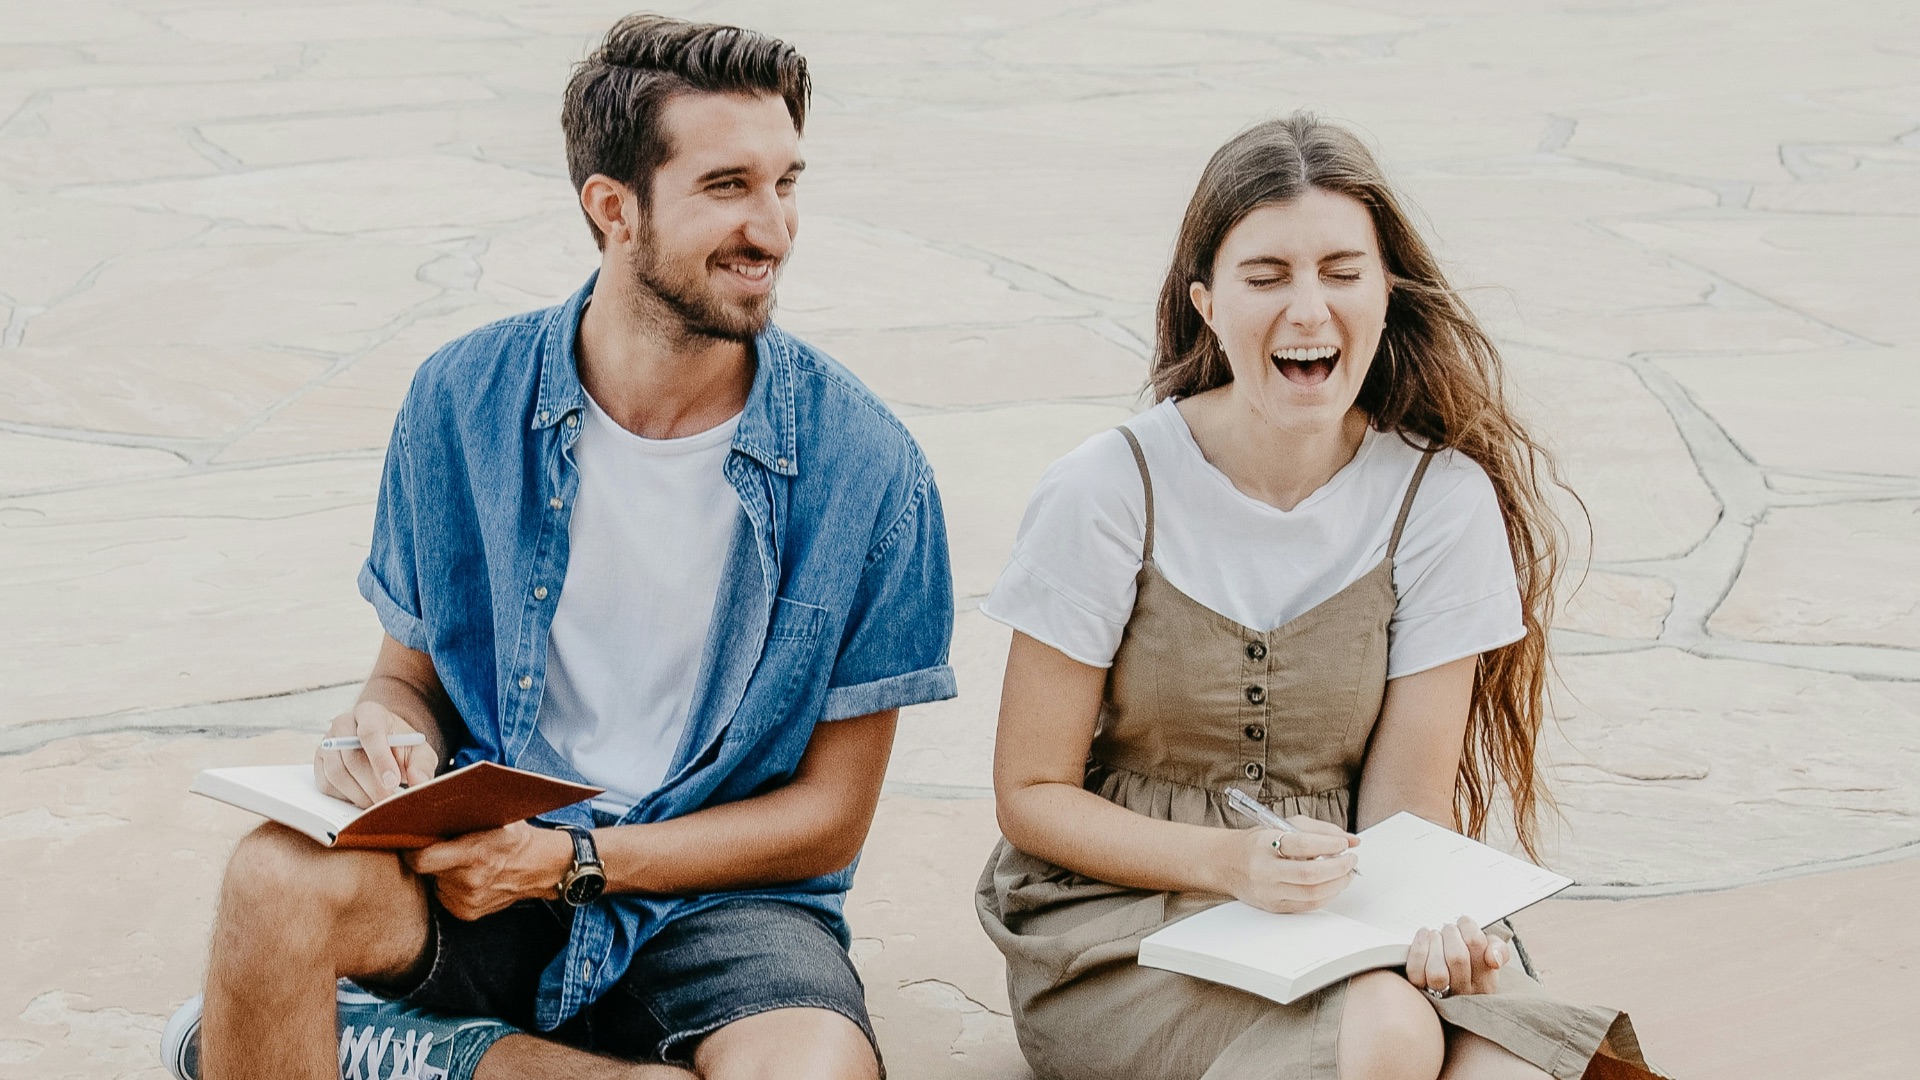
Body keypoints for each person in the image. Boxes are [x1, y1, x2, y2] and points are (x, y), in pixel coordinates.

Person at [162, 15, 955, 1080]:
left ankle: (418, 1056)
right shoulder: (463, 401)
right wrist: (382, 732)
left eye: (786, 183)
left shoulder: (870, 467)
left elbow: (826, 820)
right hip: (481, 867)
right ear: (613, 208)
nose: (773, 229)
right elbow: (407, 676)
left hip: (716, 904)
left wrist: (576, 862)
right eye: (728, 187)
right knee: (272, 880)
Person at [976, 113, 1657, 1080]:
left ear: (1387, 292)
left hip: (1350, 903)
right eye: (1267, 277)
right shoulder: (1109, 487)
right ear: (1207, 303)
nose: (1309, 310)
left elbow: (1404, 817)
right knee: (1383, 1030)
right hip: (1123, 918)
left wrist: (1425, 929)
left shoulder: (1441, 498)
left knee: (1501, 1062)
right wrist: (1229, 867)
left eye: (1343, 272)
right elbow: (1030, 796)